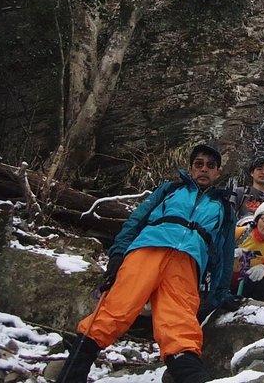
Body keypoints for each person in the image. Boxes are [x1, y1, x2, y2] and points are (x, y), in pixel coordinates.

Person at [57, 143, 240, 383]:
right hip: (148, 250)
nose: (204, 169)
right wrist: (118, 254)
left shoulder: (223, 207)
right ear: (190, 168)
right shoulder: (169, 190)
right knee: (114, 311)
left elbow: (225, 251)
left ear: (218, 172)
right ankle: (70, 377)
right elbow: (136, 220)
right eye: (198, 164)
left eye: (210, 165)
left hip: (186, 265)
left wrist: (221, 291)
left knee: (180, 327)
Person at [232, 201, 264, 301]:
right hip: (228, 278)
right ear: (257, 220)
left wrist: (263, 269)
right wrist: (231, 253)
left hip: (250, 281)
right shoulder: (240, 232)